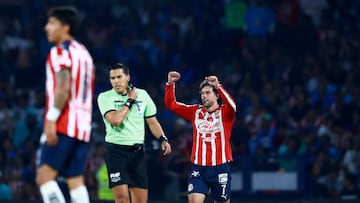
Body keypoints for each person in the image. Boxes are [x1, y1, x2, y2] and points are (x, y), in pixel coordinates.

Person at [36, 6, 95, 203]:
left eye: (52, 23)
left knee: (44, 177)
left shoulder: (60, 51)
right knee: (75, 180)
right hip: (83, 127)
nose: (47, 28)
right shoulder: (85, 53)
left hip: (64, 122)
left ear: (66, 27)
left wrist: (51, 119)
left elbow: (63, 88)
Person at [97, 63, 172, 203]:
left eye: (119, 77)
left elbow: (152, 122)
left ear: (128, 77)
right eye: (112, 78)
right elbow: (115, 120)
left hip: (138, 153)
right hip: (116, 151)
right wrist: (130, 100)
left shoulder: (143, 95)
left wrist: (163, 138)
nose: (116, 81)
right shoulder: (104, 97)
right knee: (122, 199)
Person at [165, 71, 237, 203]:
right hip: (198, 169)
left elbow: (233, 106)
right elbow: (171, 104)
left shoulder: (225, 113)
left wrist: (218, 86)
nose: (204, 96)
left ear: (216, 95)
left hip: (220, 168)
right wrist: (170, 84)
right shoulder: (195, 112)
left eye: (208, 93)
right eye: (202, 93)